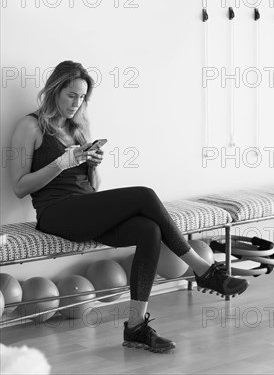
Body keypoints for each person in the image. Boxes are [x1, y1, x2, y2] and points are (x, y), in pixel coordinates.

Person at [10, 60, 249, 353]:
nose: (77, 103)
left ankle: (135, 327)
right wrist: (61, 163)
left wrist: (92, 166)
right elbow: (20, 187)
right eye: (71, 95)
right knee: (144, 195)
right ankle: (204, 269)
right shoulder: (30, 125)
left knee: (149, 230)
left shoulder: (78, 129)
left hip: (85, 209)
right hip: (56, 214)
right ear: (55, 91)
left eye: (82, 97)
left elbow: (92, 187)